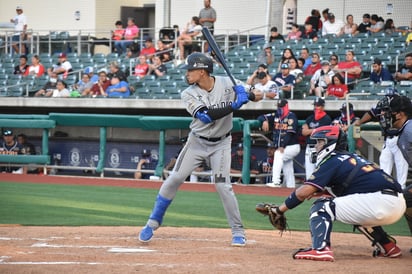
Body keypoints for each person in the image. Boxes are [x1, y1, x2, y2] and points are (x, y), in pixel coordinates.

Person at [138, 52, 256, 247]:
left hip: (221, 145)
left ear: (202, 71)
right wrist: (235, 104)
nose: (187, 74)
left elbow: (260, 94)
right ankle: (153, 221)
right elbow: (206, 116)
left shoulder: (228, 83)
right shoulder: (188, 93)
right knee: (175, 178)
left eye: (190, 70)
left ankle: (238, 231)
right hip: (197, 143)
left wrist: (249, 94)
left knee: (222, 185)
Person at [268, 125, 405, 261]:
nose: (316, 146)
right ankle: (388, 246)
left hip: (379, 201)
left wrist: (280, 210)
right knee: (357, 212)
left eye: (320, 142)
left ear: (330, 143)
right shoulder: (351, 157)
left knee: (322, 205)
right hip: (397, 202)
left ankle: (320, 249)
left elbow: (303, 193)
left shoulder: (332, 159)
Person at [354, 89, 408, 189]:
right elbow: (371, 113)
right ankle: (384, 188)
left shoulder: (402, 108)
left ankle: (402, 190)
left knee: (401, 167)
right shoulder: (384, 106)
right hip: (388, 140)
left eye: (391, 97)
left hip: (400, 139)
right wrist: (360, 121)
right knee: (384, 165)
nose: (389, 99)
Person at [386, 95, 412, 252]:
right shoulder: (405, 130)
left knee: (405, 198)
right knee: (406, 202)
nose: (388, 116)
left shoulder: (409, 130)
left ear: (400, 114)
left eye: (391, 112)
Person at [258, 99, 300, 188]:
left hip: (292, 146)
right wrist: (264, 121)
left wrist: (282, 146)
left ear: (286, 106)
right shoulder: (276, 116)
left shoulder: (291, 116)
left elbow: (289, 133)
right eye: (278, 106)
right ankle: (290, 186)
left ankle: (276, 181)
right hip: (285, 147)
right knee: (287, 166)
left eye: (281, 107)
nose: (279, 108)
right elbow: (261, 116)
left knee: (278, 155)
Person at [301, 97, 332, 180]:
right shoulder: (310, 118)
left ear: (322, 107)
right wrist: (316, 129)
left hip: (320, 147)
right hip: (309, 147)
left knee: (319, 171)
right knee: (309, 173)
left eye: (318, 106)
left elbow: (322, 133)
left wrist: (310, 130)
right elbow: (304, 132)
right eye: (315, 105)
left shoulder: (326, 118)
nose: (315, 107)